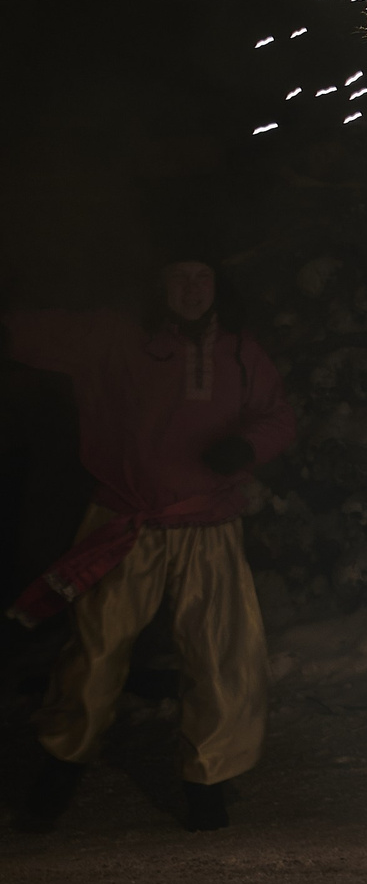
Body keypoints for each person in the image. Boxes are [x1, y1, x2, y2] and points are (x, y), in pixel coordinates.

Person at [7, 258, 296, 832]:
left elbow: (276, 415)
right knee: (95, 649)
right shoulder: (116, 339)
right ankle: (61, 763)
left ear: (218, 286)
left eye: (203, 277)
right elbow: (31, 333)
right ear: (159, 284)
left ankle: (209, 779)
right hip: (124, 519)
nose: (192, 289)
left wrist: (245, 447)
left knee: (221, 653)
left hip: (206, 522)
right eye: (180, 276)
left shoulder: (240, 352)